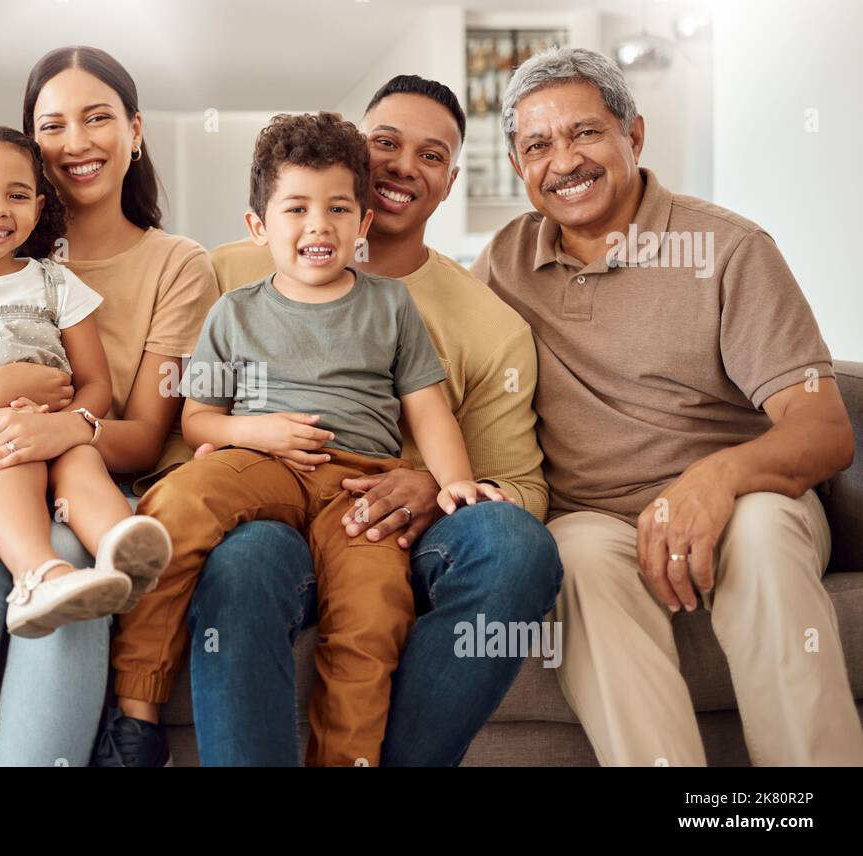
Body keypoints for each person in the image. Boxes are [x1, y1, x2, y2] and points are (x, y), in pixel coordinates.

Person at [96, 76, 562, 767]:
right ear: (260, 226)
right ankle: (136, 710)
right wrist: (252, 433)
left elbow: (428, 405)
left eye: (431, 155)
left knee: (374, 611)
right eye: (387, 145)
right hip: (259, 470)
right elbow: (197, 421)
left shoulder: (408, 310)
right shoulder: (232, 292)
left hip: (360, 492)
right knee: (184, 512)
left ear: (363, 217)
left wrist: (448, 483)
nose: (318, 226)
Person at [473, 46, 863, 765]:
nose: (565, 162)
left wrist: (714, 479)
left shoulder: (729, 248)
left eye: (585, 133)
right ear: (519, 165)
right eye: (538, 145)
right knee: (574, 559)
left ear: (634, 135)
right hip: (595, 517)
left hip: (745, 499)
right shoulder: (504, 263)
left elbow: (825, 431)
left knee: (765, 537)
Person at [0, 46, 218, 766]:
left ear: (135, 131)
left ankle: (89, 555)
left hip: (81, 475)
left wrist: (63, 428)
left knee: (74, 552)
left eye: (97, 118)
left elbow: (145, 436)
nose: (75, 142)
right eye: (52, 126)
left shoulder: (169, 266)